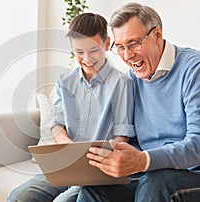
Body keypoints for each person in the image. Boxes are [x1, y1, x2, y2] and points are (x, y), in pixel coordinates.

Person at [77, 2, 200, 202]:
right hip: (150, 172)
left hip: (192, 173)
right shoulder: (131, 79)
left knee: (156, 183)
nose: (127, 55)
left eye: (133, 43)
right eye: (120, 47)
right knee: (95, 189)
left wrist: (144, 160)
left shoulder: (194, 69)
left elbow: (198, 145)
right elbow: (132, 141)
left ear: (157, 35)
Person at [7, 13, 135, 202]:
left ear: (107, 44)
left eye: (93, 50)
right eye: (79, 52)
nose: (87, 58)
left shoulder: (122, 83)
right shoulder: (64, 81)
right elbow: (57, 125)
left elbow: (122, 136)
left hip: (100, 172)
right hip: (66, 166)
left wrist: (92, 159)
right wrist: (69, 147)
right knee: (19, 197)